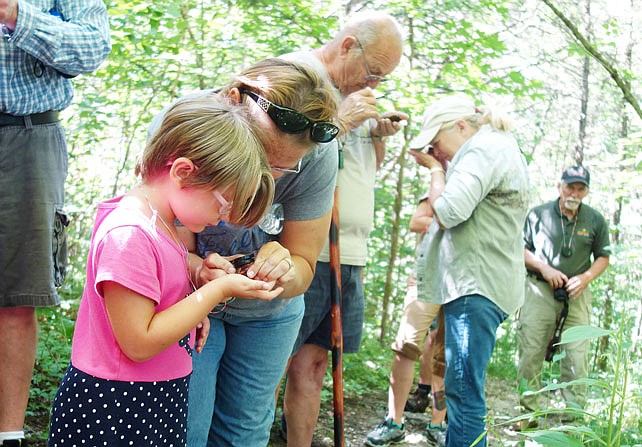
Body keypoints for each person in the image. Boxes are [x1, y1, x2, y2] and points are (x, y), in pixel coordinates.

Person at [46, 94, 281, 446]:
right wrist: (214, 292)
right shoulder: (130, 234)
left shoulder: (163, 225)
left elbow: (159, 291)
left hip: (154, 398)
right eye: (224, 203)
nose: (225, 218)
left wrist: (196, 283)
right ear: (183, 172)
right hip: (115, 408)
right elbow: (138, 342)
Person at [161, 59, 341, 446]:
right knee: (186, 427)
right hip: (189, 303)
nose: (268, 176)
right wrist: (199, 272)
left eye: (283, 169)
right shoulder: (188, 125)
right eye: (260, 155)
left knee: (243, 433)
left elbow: (304, 261)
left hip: (267, 318)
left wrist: (283, 270)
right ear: (233, 100)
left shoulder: (320, 155)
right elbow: (162, 241)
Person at [279, 11, 408, 447]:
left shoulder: (354, 97)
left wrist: (376, 136)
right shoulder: (300, 77)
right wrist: (343, 122)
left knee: (314, 365)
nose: (372, 85)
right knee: (273, 363)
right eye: (372, 72)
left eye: (382, 79)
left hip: (350, 253)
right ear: (348, 45)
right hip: (305, 249)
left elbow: (359, 170)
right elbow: (279, 157)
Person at [0, 1, 110, 445]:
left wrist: (14, 14)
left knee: (15, 299)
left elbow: (91, 47)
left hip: (25, 139)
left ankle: (7, 434)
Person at [408, 93, 531, 447]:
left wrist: (434, 171)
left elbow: (447, 212)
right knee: (464, 391)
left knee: (462, 393)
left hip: (475, 286)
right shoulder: (498, 146)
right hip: (482, 284)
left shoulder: (483, 149)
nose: (437, 152)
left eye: (437, 143)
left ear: (461, 126)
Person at [516, 166, 611, 428]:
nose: (574, 193)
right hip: (539, 291)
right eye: (570, 187)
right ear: (560, 186)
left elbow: (603, 256)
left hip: (577, 295)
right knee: (531, 351)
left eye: (580, 188)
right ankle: (528, 416)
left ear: (587, 191)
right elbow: (520, 250)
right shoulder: (538, 214)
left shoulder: (594, 220)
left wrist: (586, 278)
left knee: (576, 357)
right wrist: (544, 268)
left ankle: (575, 421)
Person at [365, 195, 448, 447]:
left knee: (444, 357)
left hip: (462, 281)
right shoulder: (440, 185)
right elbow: (416, 221)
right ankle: (393, 421)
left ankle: (438, 423)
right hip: (426, 277)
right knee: (406, 347)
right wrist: (448, 219)